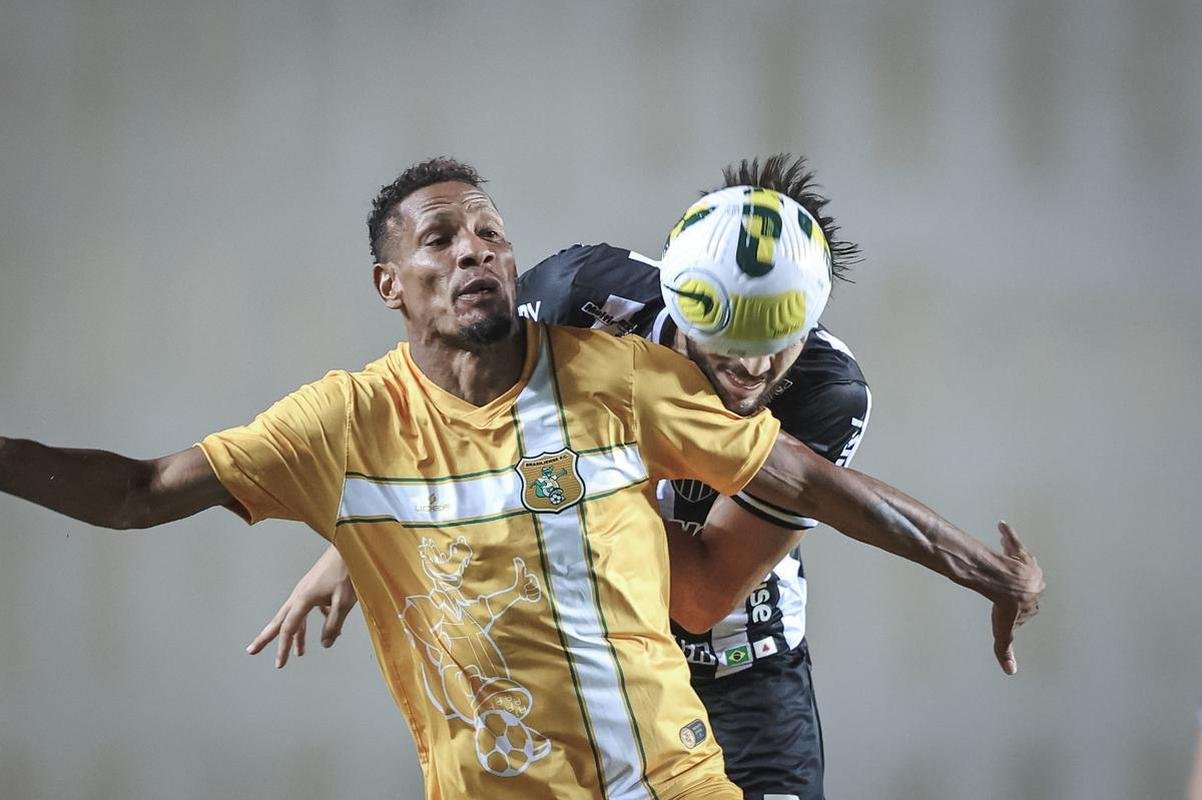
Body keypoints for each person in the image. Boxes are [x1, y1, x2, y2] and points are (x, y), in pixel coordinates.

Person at [0, 157, 1042, 800]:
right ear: (676, 296)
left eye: (779, 343)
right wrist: (355, 533)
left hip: (731, 671)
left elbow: (695, 590)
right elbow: (438, 425)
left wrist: (983, 569)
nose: (749, 372)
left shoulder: (791, 390)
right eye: (722, 340)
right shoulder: (579, 307)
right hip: (537, 719)